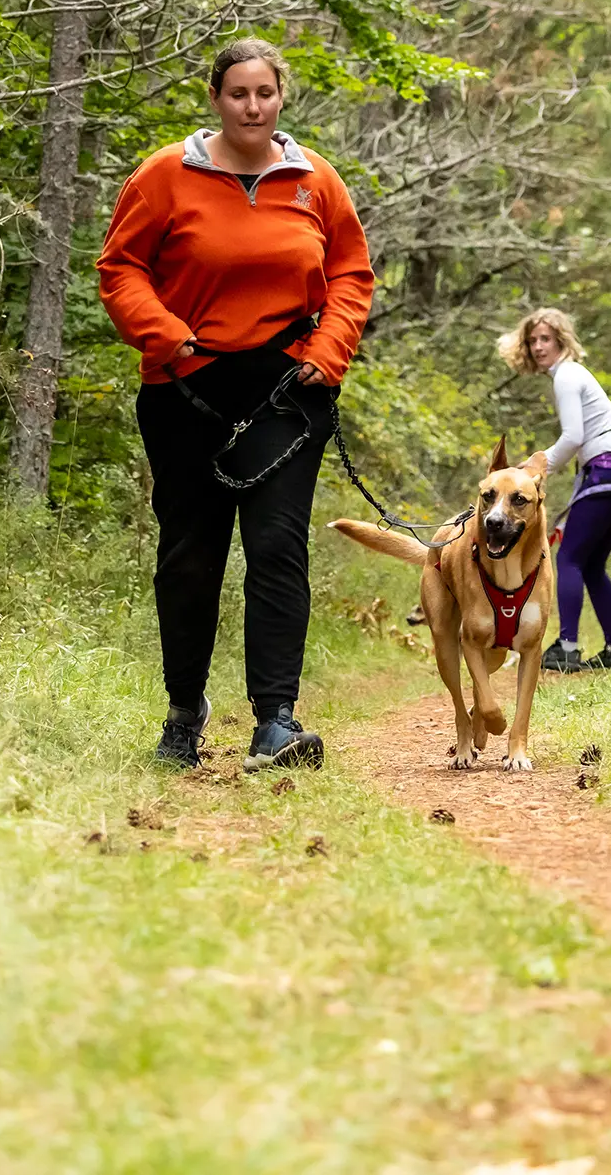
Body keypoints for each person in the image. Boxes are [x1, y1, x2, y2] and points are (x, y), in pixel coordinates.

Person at [96, 38, 374, 770]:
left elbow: (351, 272)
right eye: (238, 93)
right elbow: (120, 267)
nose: (253, 105)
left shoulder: (316, 180)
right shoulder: (166, 175)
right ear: (216, 99)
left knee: (278, 547)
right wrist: (166, 336)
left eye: (266, 92)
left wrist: (328, 351)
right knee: (190, 558)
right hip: (185, 385)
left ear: (281, 96)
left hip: (285, 389)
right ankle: (184, 715)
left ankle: (276, 720)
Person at [498, 308, 611, 672]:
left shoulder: (567, 374)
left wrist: (531, 469)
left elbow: (574, 437)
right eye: (532, 341)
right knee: (591, 564)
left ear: (561, 340)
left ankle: (567, 647)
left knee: (568, 560)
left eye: (545, 339)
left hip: (609, 471)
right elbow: (583, 445)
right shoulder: (571, 375)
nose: (538, 346)